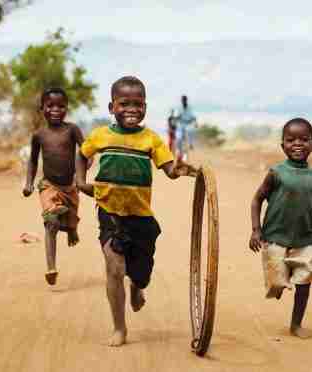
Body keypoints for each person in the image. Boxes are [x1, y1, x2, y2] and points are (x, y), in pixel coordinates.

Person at [75, 76, 195, 347]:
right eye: (124, 103)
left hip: (141, 217)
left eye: (137, 104)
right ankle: (119, 328)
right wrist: (80, 181)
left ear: (145, 107)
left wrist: (183, 169)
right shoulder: (100, 135)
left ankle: (137, 287)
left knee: (141, 272)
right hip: (110, 212)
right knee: (114, 267)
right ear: (111, 107)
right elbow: (82, 155)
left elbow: (170, 170)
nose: (131, 109)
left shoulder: (151, 139)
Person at [249, 117, 312, 338]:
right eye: (291, 139)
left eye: (304, 140)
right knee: (277, 283)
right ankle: (279, 282)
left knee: (304, 282)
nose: (297, 144)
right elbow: (257, 200)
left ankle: (296, 324)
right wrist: (256, 230)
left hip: (307, 241)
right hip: (275, 238)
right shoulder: (276, 173)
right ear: (282, 145)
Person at [22, 87, 85, 286]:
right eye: (50, 106)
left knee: (70, 219)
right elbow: (32, 161)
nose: (55, 110)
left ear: (67, 108)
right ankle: (51, 268)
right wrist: (29, 183)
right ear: (42, 109)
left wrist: (80, 176)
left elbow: (86, 153)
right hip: (48, 185)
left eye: (61, 106)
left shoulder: (72, 130)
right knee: (52, 221)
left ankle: (72, 228)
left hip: (70, 186)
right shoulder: (39, 135)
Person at [174, 95, 197, 162]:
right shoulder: (179, 108)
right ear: (181, 101)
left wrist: (195, 122)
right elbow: (176, 117)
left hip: (188, 124)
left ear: (186, 100)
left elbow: (193, 117)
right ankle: (178, 150)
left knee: (190, 131)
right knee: (179, 138)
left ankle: (190, 144)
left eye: (184, 100)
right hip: (180, 125)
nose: (183, 101)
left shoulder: (190, 108)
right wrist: (176, 119)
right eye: (182, 100)